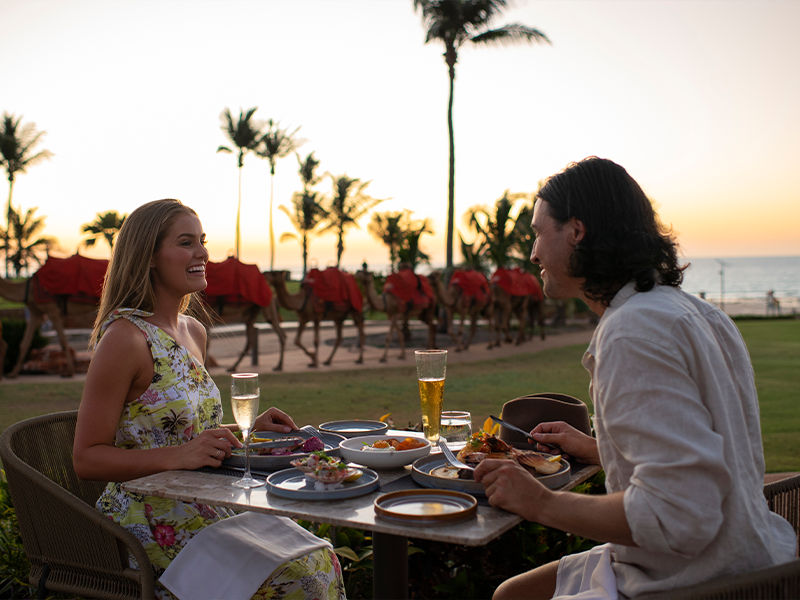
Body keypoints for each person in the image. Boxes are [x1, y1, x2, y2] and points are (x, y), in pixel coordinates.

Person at [473, 157, 796, 600]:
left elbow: (678, 514)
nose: (532, 254)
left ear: (576, 232)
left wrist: (540, 502)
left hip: (698, 579)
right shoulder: (697, 312)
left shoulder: (631, 332)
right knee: (512, 593)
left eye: (536, 233)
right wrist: (596, 449)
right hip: (755, 553)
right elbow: (705, 453)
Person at [73, 199, 345, 600]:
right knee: (294, 581)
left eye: (201, 241)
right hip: (149, 516)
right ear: (148, 257)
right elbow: (86, 458)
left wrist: (247, 430)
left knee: (321, 559)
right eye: (185, 243)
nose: (202, 252)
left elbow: (187, 434)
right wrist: (178, 456)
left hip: (206, 498)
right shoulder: (125, 339)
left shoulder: (194, 330)